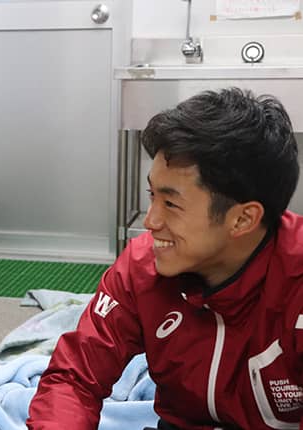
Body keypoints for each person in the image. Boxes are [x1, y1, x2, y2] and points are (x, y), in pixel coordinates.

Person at [27, 87, 303, 429]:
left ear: (243, 219)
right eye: (151, 195)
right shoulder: (141, 267)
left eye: (171, 203)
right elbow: (74, 379)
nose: (150, 221)